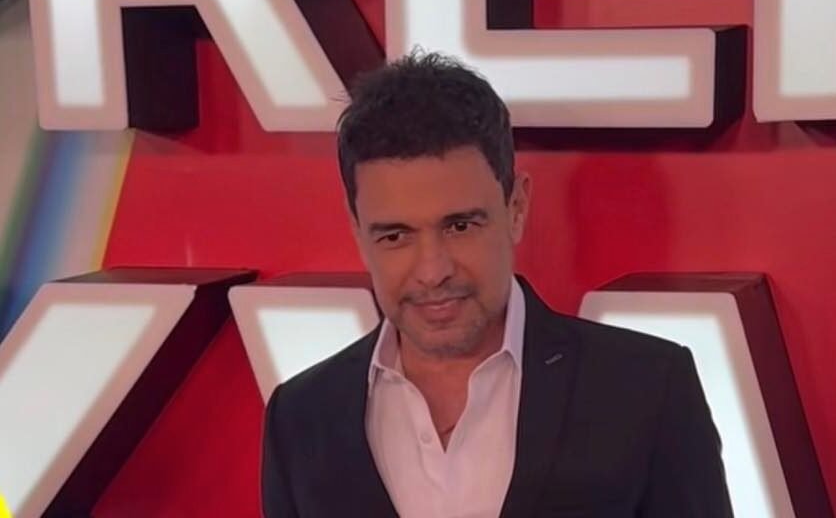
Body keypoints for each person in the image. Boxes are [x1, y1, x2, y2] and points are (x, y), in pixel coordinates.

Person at [261, 51, 733, 517]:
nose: (433, 270)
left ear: (516, 208)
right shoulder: (300, 418)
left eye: (460, 226)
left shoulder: (646, 389)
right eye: (395, 236)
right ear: (357, 231)